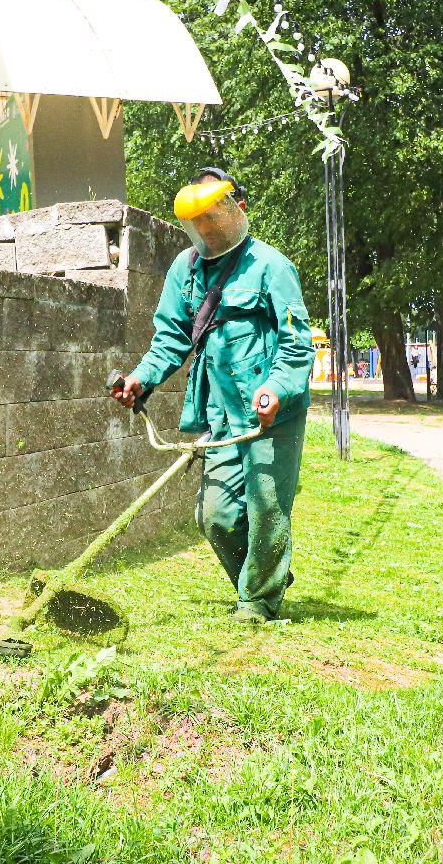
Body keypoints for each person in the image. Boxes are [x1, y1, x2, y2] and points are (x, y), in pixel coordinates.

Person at [109, 168, 313, 623]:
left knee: (266, 508)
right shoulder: (185, 270)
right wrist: (141, 378)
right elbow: (170, 338)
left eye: (213, 218)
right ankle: (266, 577)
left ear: (238, 209)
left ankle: (258, 600)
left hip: (271, 412)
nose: (206, 230)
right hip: (221, 413)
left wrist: (277, 388)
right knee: (215, 516)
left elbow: (297, 344)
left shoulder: (271, 267)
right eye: (197, 222)